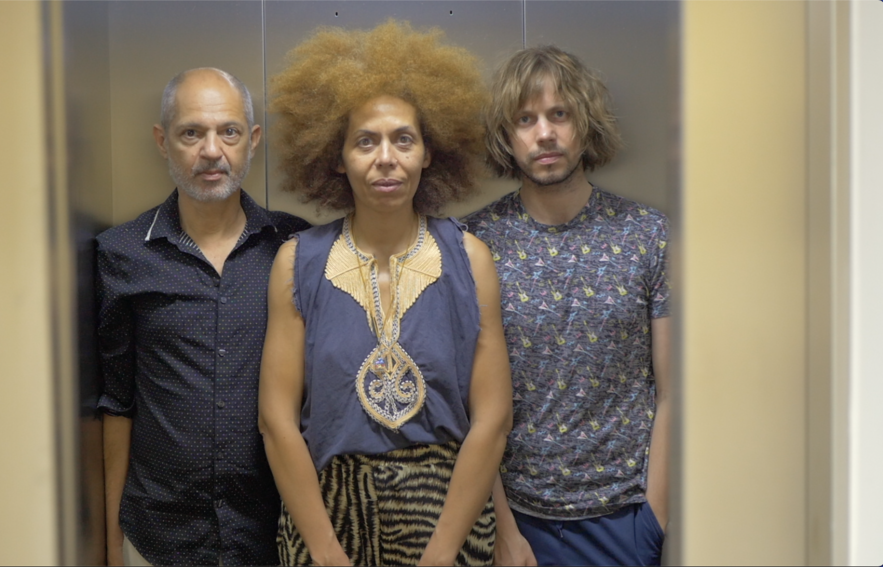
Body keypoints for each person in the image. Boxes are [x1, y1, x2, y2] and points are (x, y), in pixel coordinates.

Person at [258, 21, 513, 566]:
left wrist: (443, 553)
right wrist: (326, 554)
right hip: (325, 515)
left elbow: (492, 420)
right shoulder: (295, 263)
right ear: (336, 157)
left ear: (428, 153)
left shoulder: (471, 260)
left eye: (404, 139)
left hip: (450, 515)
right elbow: (276, 422)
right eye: (365, 141)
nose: (386, 158)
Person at [466, 46, 671, 566]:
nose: (545, 133)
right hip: (515, 521)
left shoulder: (647, 235)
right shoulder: (474, 244)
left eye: (559, 114)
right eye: (525, 119)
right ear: (506, 136)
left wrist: (654, 518)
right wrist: (501, 527)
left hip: (623, 519)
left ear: (585, 123)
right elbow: (466, 402)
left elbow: (674, 391)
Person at [96, 67, 309, 566]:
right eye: (191, 133)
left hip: (273, 536)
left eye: (228, 132)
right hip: (158, 537)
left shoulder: (296, 248)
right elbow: (117, 405)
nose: (211, 151)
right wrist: (109, 543)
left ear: (252, 140)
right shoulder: (122, 254)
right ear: (163, 141)